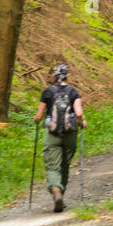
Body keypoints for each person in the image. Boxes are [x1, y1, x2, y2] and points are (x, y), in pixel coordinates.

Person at [33, 63, 86, 213]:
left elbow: (39, 116)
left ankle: (56, 190)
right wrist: (82, 123)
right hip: (70, 133)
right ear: (67, 75)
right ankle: (61, 196)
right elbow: (79, 114)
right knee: (64, 165)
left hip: (52, 134)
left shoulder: (48, 92)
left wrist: (36, 119)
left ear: (55, 76)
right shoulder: (73, 92)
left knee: (52, 166)